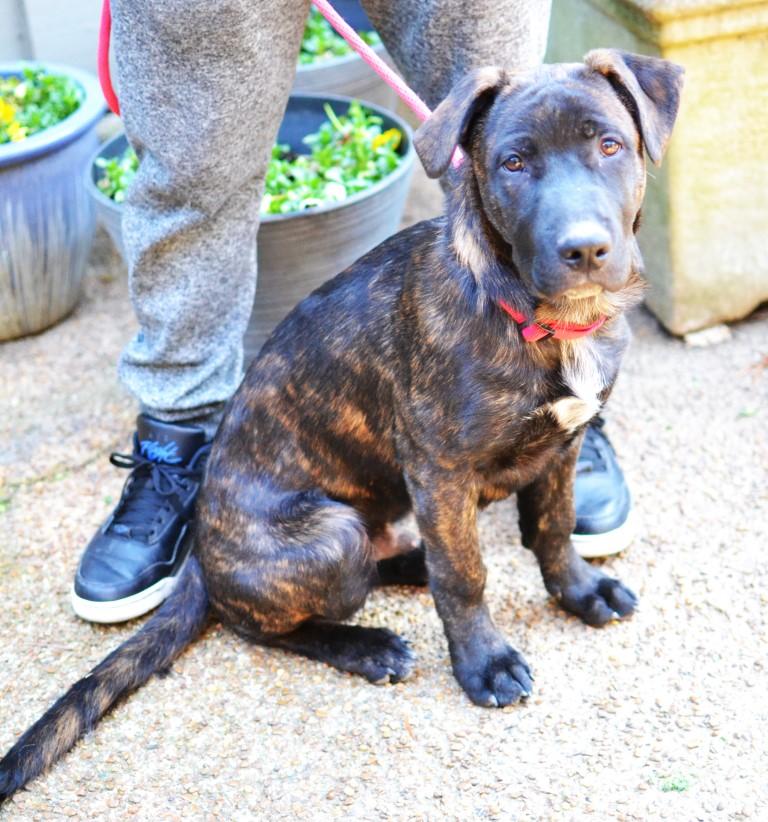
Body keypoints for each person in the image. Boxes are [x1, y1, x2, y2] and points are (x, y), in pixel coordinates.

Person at [72, 0, 632, 623]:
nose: (581, 225)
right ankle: (179, 439)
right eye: (517, 163)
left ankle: (554, 428)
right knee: (194, 167)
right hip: (293, 511)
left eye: (608, 144)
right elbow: (434, 467)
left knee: (517, 91)